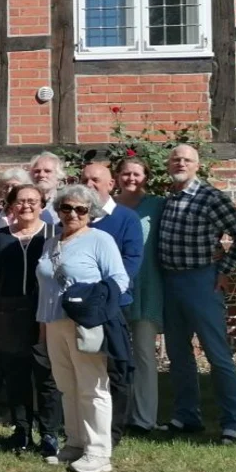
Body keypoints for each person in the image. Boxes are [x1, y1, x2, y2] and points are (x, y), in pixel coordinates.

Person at [157, 144, 236, 445]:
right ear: (169, 164)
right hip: (171, 281)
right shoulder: (171, 197)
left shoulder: (210, 197)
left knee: (217, 353)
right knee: (178, 353)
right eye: (176, 159)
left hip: (201, 281)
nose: (180, 163)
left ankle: (232, 423)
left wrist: (224, 269)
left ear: (197, 166)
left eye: (187, 160)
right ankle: (186, 416)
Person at [36, 185, 130, 472]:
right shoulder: (51, 243)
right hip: (54, 322)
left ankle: (99, 451)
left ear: (91, 213)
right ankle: (76, 443)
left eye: (80, 209)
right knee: (67, 385)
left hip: (86, 324)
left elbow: (119, 280)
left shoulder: (100, 240)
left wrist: (94, 304)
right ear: (58, 211)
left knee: (93, 386)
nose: (73, 214)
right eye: (66, 208)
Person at [0, 183, 61, 456]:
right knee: (16, 375)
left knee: (46, 375)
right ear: (11, 206)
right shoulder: (1, 238)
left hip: (44, 313)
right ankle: (21, 430)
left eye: (32, 201)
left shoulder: (53, 235)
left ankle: (49, 434)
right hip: (9, 313)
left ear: (42, 205)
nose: (26, 206)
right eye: (21, 201)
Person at [81, 161, 144, 445]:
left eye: (96, 180)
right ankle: (86, 423)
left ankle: (114, 430)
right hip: (81, 307)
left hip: (114, 305)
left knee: (116, 368)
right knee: (87, 366)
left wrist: (105, 294)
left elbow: (132, 261)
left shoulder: (126, 218)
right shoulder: (75, 217)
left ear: (111, 184)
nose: (89, 184)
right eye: (85, 179)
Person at [113, 156, 165, 434]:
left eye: (137, 174)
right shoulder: (108, 207)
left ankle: (144, 418)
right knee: (117, 353)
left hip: (147, 286)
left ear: (146, 177)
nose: (131, 179)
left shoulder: (157, 206)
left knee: (144, 352)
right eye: (126, 174)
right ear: (117, 176)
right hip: (115, 288)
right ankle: (119, 413)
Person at [30, 152, 65, 225]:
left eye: (47, 171)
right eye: (37, 171)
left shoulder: (65, 202)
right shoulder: (25, 202)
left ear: (58, 175)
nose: (41, 175)